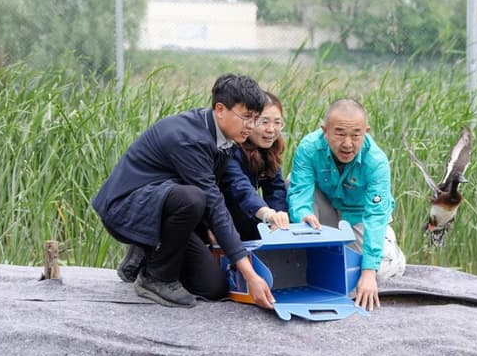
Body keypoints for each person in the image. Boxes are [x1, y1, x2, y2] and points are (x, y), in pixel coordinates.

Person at [92, 74, 276, 309]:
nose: (251, 126)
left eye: (255, 119)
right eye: (246, 117)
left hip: (161, 206)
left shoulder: (225, 136)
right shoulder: (190, 139)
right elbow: (211, 201)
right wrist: (251, 276)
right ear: (220, 109)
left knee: (213, 288)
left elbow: (220, 190)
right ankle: (155, 278)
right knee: (193, 198)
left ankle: (146, 252)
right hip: (126, 209)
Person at [287, 99, 406, 312]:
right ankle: (311, 246)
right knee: (290, 180)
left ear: (366, 132)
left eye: (356, 135)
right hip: (325, 210)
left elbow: (375, 217)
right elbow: (299, 193)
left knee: (379, 271)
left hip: (359, 216)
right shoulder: (309, 148)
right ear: (325, 131)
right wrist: (302, 214)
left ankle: (391, 252)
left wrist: (368, 273)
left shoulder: (376, 162)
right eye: (340, 134)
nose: (348, 144)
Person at [221, 90, 290, 240]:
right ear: (249, 121)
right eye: (264, 122)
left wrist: (279, 218)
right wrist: (267, 214)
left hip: (250, 214)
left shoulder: (270, 149)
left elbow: (275, 189)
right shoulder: (230, 148)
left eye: (277, 122)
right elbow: (239, 187)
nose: (271, 130)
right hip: (223, 217)